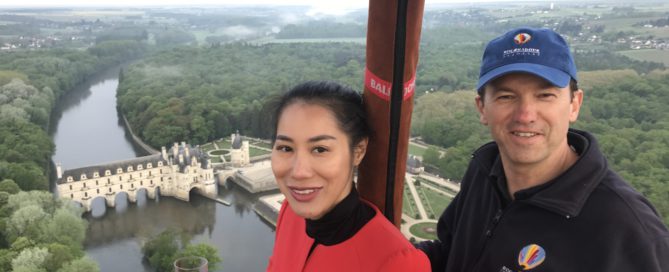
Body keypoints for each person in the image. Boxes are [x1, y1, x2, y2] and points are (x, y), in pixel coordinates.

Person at [416, 27, 669, 271]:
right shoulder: (484, 170)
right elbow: (452, 255)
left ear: (574, 104)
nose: (525, 115)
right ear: (482, 107)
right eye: (506, 97)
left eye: (545, 95)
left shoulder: (627, 229)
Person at [266, 81, 430, 271]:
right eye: (285, 148)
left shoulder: (399, 263)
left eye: (320, 149)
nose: (299, 172)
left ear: (358, 151)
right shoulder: (290, 213)